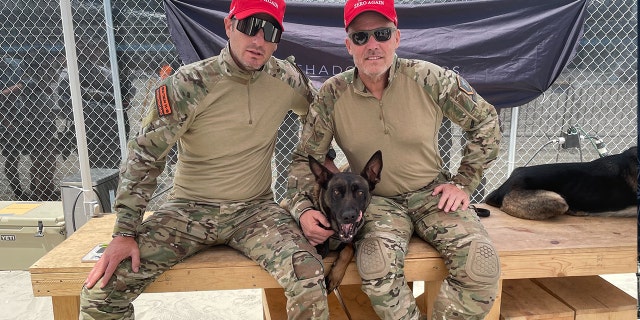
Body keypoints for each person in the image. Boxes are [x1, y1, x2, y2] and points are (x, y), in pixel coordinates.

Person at [80, 0, 329, 319]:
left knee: (309, 275)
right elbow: (145, 156)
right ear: (229, 25)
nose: (258, 40)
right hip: (188, 212)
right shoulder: (189, 84)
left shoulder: (287, 79)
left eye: (270, 31)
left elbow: (318, 118)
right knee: (101, 293)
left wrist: (315, 173)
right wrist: (125, 232)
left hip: (255, 212)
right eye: (250, 26)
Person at [286, 0, 502, 319]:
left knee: (480, 268)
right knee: (376, 268)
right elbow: (306, 158)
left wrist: (463, 182)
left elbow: (485, 120)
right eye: (361, 37)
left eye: (382, 34)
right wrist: (303, 209)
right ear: (349, 46)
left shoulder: (430, 78)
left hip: (433, 195)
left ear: (397, 39)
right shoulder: (333, 94)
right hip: (376, 202)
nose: (372, 45)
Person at [56, 39, 135, 170]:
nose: (85, 51)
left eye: (88, 47)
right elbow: (69, 106)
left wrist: (90, 95)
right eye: (80, 48)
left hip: (112, 131)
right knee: (94, 171)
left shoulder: (102, 71)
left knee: (114, 168)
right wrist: (111, 104)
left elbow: (128, 92)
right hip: (88, 132)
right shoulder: (68, 75)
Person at [0, 53, 59, 201]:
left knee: (38, 153)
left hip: (28, 113)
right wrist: (5, 119)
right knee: (12, 156)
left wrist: (19, 87)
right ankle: (18, 192)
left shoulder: (17, 64)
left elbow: (32, 82)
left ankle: (37, 189)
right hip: (7, 114)